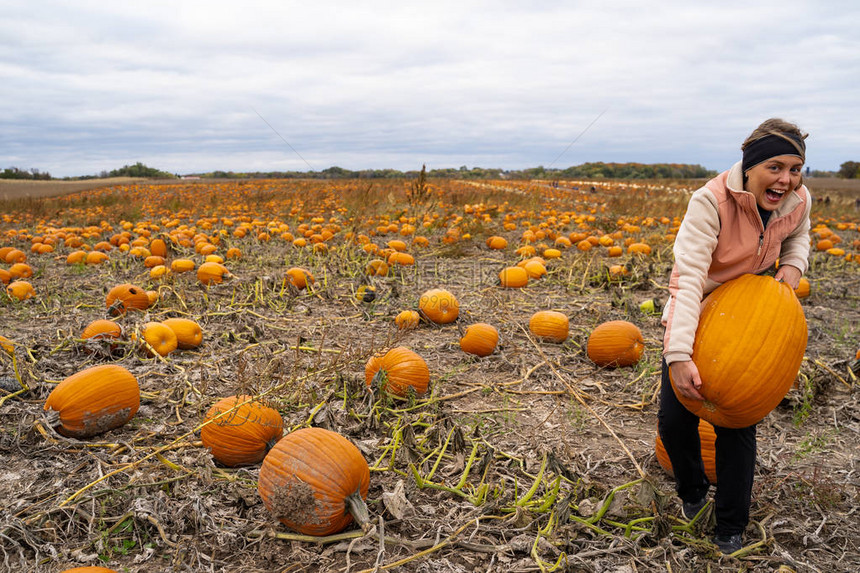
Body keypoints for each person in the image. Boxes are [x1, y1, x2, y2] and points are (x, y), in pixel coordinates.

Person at [658, 118, 812, 554]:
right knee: (675, 420)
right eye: (776, 167)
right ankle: (692, 491)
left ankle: (730, 524)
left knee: (738, 425)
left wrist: (793, 266)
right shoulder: (710, 202)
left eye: (796, 168)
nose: (786, 179)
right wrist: (679, 354)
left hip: (750, 315)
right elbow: (687, 279)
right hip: (699, 311)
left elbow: (799, 236)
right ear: (750, 165)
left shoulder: (798, 200)